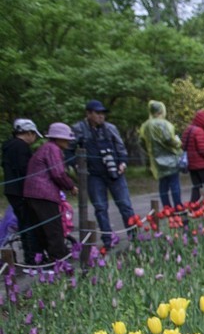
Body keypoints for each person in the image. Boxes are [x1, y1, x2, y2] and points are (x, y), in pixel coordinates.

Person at [71, 100, 135, 248]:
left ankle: (135, 236)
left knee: (125, 205)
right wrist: (77, 167)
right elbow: (69, 151)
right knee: (100, 208)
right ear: (88, 114)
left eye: (102, 113)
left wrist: (123, 163)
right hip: (93, 175)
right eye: (97, 113)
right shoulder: (79, 129)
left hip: (115, 172)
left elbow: (121, 148)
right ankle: (108, 240)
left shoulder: (110, 128)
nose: (101, 116)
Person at [23, 123, 77, 264]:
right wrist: (71, 186)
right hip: (44, 194)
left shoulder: (44, 148)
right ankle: (61, 261)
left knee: (42, 230)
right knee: (54, 230)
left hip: (32, 194)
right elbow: (58, 173)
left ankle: (49, 260)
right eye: (65, 139)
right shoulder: (53, 149)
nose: (68, 141)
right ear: (57, 138)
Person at [2, 119, 46, 263]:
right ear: (28, 133)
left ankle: (32, 256)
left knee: (24, 223)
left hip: (12, 190)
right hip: (22, 191)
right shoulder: (21, 147)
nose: (34, 139)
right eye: (34, 135)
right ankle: (33, 258)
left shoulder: (8, 146)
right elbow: (25, 170)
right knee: (29, 224)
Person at [138, 101, 184, 210]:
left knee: (163, 185)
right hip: (171, 159)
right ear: (161, 110)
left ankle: (166, 208)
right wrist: (178, 142)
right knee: (174, 184)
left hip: (156, 161)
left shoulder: (145, 126)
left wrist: (150, 151)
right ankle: (178, 206)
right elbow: (169, 139)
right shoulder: (164, 124)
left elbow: (141, 142)